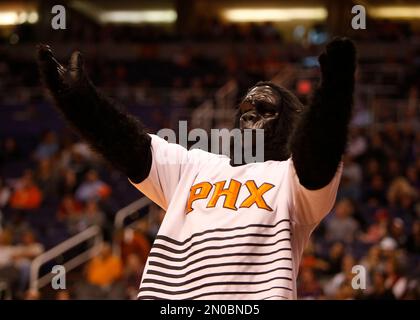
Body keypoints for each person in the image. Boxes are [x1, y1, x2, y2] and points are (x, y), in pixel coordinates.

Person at [37, 37, 356, 300]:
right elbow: (126, 144)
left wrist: (334, 93)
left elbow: (318, 153)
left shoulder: (291, 177)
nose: (248, 115)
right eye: (244, 109)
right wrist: (79, 102)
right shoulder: (195, 166)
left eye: (264, 110)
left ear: (290, 125)